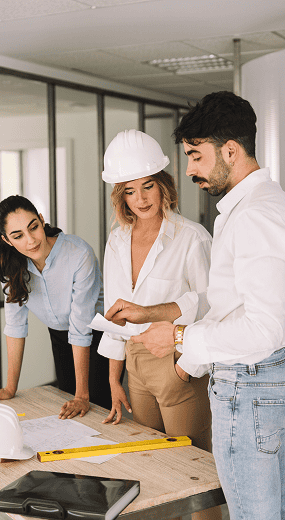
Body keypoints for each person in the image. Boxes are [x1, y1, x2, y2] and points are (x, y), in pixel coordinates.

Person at [131, 92, 285, 520]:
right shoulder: (261, 206)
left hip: (249, 390)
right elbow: (231, 301)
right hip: (257, 386)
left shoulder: (254, 214)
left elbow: (265, 327)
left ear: (230, 151)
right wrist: (173, 330)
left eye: (196, 156)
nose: (189, 169)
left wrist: (180, 337)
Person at [98, 130, 221, 520]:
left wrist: (185, 371)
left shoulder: (191, 237)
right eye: (130, 191)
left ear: (162, 184)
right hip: (136, 368)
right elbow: (115, 317)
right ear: (121, 196)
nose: (142, 198)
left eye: (148, 186)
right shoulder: (117, 241)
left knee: (196, 478)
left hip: (177, 360)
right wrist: (114, 380)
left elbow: (210, 308)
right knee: (151, 473)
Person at [0, 195, 110, 419]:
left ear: (41, 220)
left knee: (97, 408)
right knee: (66, 406)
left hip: (98, 334)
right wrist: (10, 389)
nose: (31, 240)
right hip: (60, 335)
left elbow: (81, 325)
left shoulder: (78, 254)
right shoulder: (12, 264)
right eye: (18, 236)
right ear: (7, 240)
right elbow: (15, 326)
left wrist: (82, 395)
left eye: (33, 227)